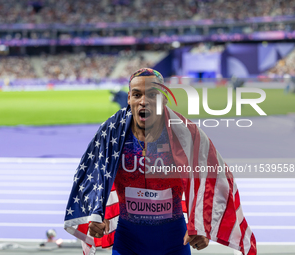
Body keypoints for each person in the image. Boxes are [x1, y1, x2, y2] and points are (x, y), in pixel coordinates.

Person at [64, 68, 256, 255]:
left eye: (152, 95)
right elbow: (92, 174)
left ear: (163, 99)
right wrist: (96, 212)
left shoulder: (185, 135)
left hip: (174, 240)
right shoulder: (112, 133)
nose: (143, 102)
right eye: (137, 95)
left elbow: (213, 176)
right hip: (127, 242)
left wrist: (203, 225)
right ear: (129, 98)